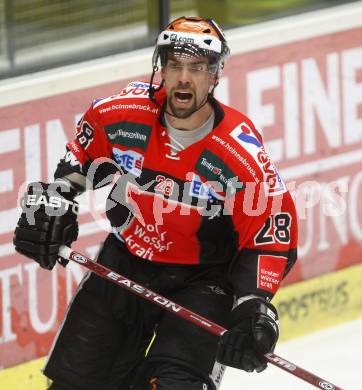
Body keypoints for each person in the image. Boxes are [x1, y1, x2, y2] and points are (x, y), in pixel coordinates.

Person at [14, 16, 298, 390]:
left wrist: (253, 305)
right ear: (160, 68)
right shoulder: (118, 115)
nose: (183, 78)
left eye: (197, 68)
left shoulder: (238, 154)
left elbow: (271, 233)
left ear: (215, 76)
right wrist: (56, 201)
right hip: (125, 262)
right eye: (175, 65)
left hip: (205, 281)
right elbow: (81, 156)